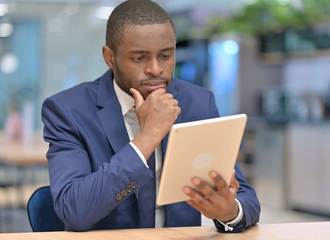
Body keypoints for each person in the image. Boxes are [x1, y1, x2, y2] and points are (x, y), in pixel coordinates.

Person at [41, 0, 260, 233]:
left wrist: (229, 212)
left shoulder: (199, 104)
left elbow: (247, 199)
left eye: (165, 56)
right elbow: (74, 211)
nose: (155, 69)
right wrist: (147, 137)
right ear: (109, 57)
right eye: (139, 58)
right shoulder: (68, 111)